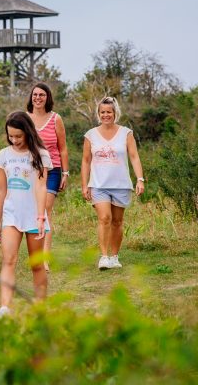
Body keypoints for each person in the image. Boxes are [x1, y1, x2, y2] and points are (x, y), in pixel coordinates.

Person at [0, 111, 52, 317]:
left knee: (36, 264)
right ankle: (5, 306)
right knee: (8, 260)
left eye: (19, 136)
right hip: (11, 215)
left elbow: (41, 187)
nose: (15, 140)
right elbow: (1, 189)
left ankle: (40, 307)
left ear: (28, 132)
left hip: (34, 215)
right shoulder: (3, 155)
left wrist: (40, 216)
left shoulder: (41, 155)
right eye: (11, 136)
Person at [80, 97, 145, 270]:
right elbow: (86, 161)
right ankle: (104, 257)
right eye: (102, 112)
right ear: (98, 113)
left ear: (115, 113)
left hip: (121, 184)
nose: (106, 115)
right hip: (98, 184)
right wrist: (85, 185)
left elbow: (134, 157)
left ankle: (115, 257)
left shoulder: (126, 133)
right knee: (105, 218)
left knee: (117, 221)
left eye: (109, 112)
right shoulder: (90, 135)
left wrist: (140, 179)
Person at [27, 82, 69, 273]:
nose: (38, 98)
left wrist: (65, 173)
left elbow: (63, 148)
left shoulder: (55, 119)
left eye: (42, 95)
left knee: (45, 212)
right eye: (35, 95)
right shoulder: (24, 118)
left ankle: (44, 259)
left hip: (52, 170)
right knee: (32, 212)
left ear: (47, 97)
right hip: (29, 170)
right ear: (31, 97)